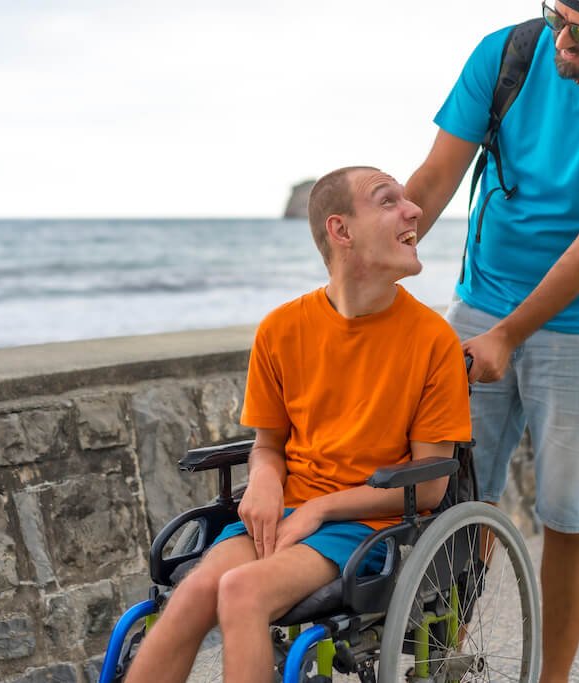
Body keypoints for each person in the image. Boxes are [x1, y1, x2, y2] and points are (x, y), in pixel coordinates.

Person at [403, 1, 579, 680]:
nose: (562, 38)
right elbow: (436, 176)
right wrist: (368, 273)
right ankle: (438, 655)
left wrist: (512, 334)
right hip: (481, 299)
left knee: (568, 505)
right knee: (454, 492)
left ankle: (551, 676)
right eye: (555, 14)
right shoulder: (504, 55)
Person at [124, 166, 472, 683]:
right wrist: (265, 481)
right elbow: (268, 445)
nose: (414, 210)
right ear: (342, 231)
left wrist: (321, 509)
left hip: (364, 528)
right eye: (387, 200)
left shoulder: (432, 341)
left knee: (240, 593)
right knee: (195, 590)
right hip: (283, 515)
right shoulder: (282, 329)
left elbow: (429, 485)